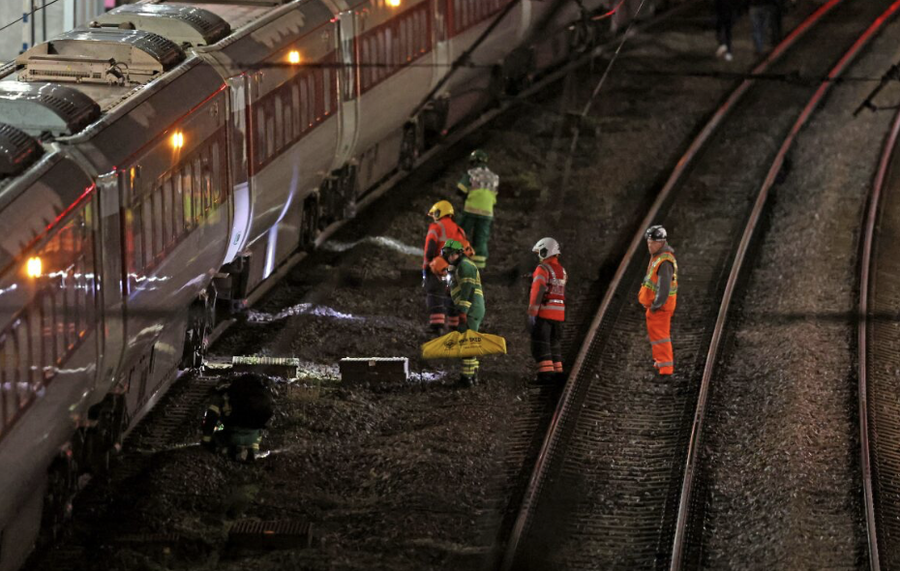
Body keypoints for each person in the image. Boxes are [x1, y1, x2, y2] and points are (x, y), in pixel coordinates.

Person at [201, 374, 275, 462]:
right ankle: (252, 450)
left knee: (216, 439)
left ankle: (228, 451)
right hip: (253, 436)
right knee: (253, 436)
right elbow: (268, 419)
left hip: (232, 434)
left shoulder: (225, 396)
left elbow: (211, 417)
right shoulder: (262, 395)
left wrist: (206, 440)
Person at [442, 239, 485, 386]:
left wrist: (463, 311)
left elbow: (467, 290)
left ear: (458, 253)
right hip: (473, 308)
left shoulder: (465, 266)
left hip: (471, 308)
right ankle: (473, 376)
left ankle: (466, 379)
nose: (449, 258)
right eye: (447, 255)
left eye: (451, 255)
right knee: (470, 341)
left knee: (467, 343)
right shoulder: (460, 266)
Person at [423, 200, 468, 334]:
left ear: (438, 213)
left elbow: (430, 248)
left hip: (439, 268)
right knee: (452, 297)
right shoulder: (459, 230)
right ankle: (454, 327)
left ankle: (437, 326)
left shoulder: (436, 227)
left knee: (435, 294)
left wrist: (428, 265)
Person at [638, 225, 678, 376]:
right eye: (648, 242)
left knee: (661, 337)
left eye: (652, 242)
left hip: (661, 307)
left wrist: (656, 305)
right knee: (656, 337)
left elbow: (664, 288)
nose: (649, 245)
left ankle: (666, 370)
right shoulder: (658, 257)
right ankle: (660, 362)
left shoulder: (665, 261)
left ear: (661, 242)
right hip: (657, 307)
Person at [528, 237, 567, 383]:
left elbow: (538, 291)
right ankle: (557, 371)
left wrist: (532, 313)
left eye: (540, 252)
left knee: (540, 343)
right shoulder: (562, 271)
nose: (539, 256)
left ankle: (545, 375)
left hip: (545, 313)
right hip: (559, 315)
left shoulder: (542, 269)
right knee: (554, 343)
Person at [457, 149, 499, 270]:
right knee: (481, 239)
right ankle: (479, 267)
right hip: (487, 212)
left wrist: (466, 196)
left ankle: (455, 260)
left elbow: (460, 189)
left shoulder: (471, 173)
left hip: (471, 209)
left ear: (474, 162)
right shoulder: (494, 177)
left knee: (460, 234)